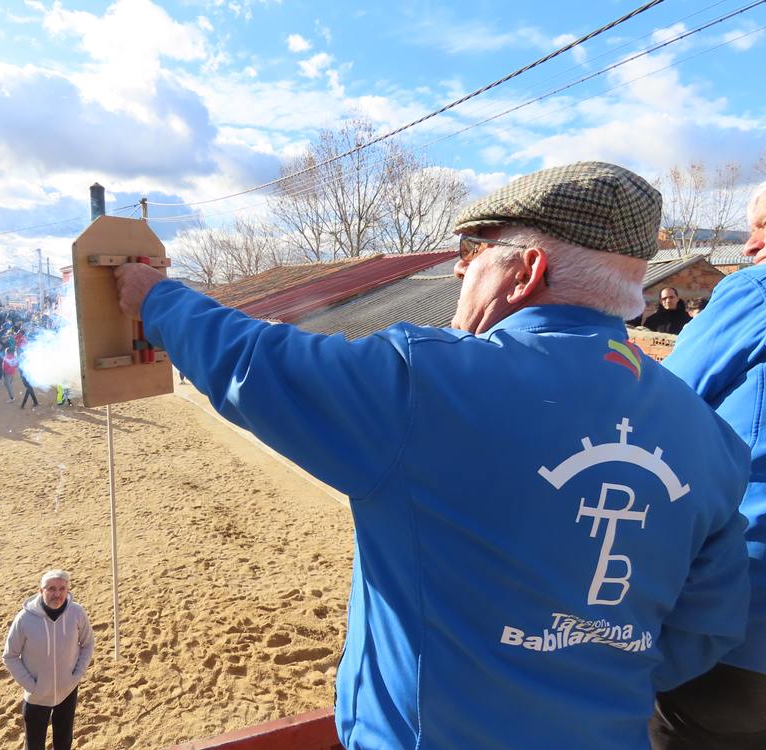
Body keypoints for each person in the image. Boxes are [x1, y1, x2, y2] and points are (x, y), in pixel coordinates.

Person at [114, 162, 752, 750]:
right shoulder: (710, 434)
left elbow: (253, 363)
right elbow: (706, 629)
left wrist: (155, 296)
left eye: (474, 252)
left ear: (526, 270)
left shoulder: (427, 382)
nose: (458, 269)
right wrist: (583, 665)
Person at [650, 182, 766, 748]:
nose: (748, 247)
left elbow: (666, 408)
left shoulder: (758, 293)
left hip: (746, 627)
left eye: (764, 227)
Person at [2, 570, 94, 750]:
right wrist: (32, 685)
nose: (57, 594)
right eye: (51, 589)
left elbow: (88, 644)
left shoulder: (77, 613)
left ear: (68, 590)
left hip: (67, 691)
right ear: (40, 591)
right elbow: (10, 656)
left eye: (62, 589)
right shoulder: (24, 618)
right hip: (36, 696)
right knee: (34, 745)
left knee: (63, 743)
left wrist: (76, 676)